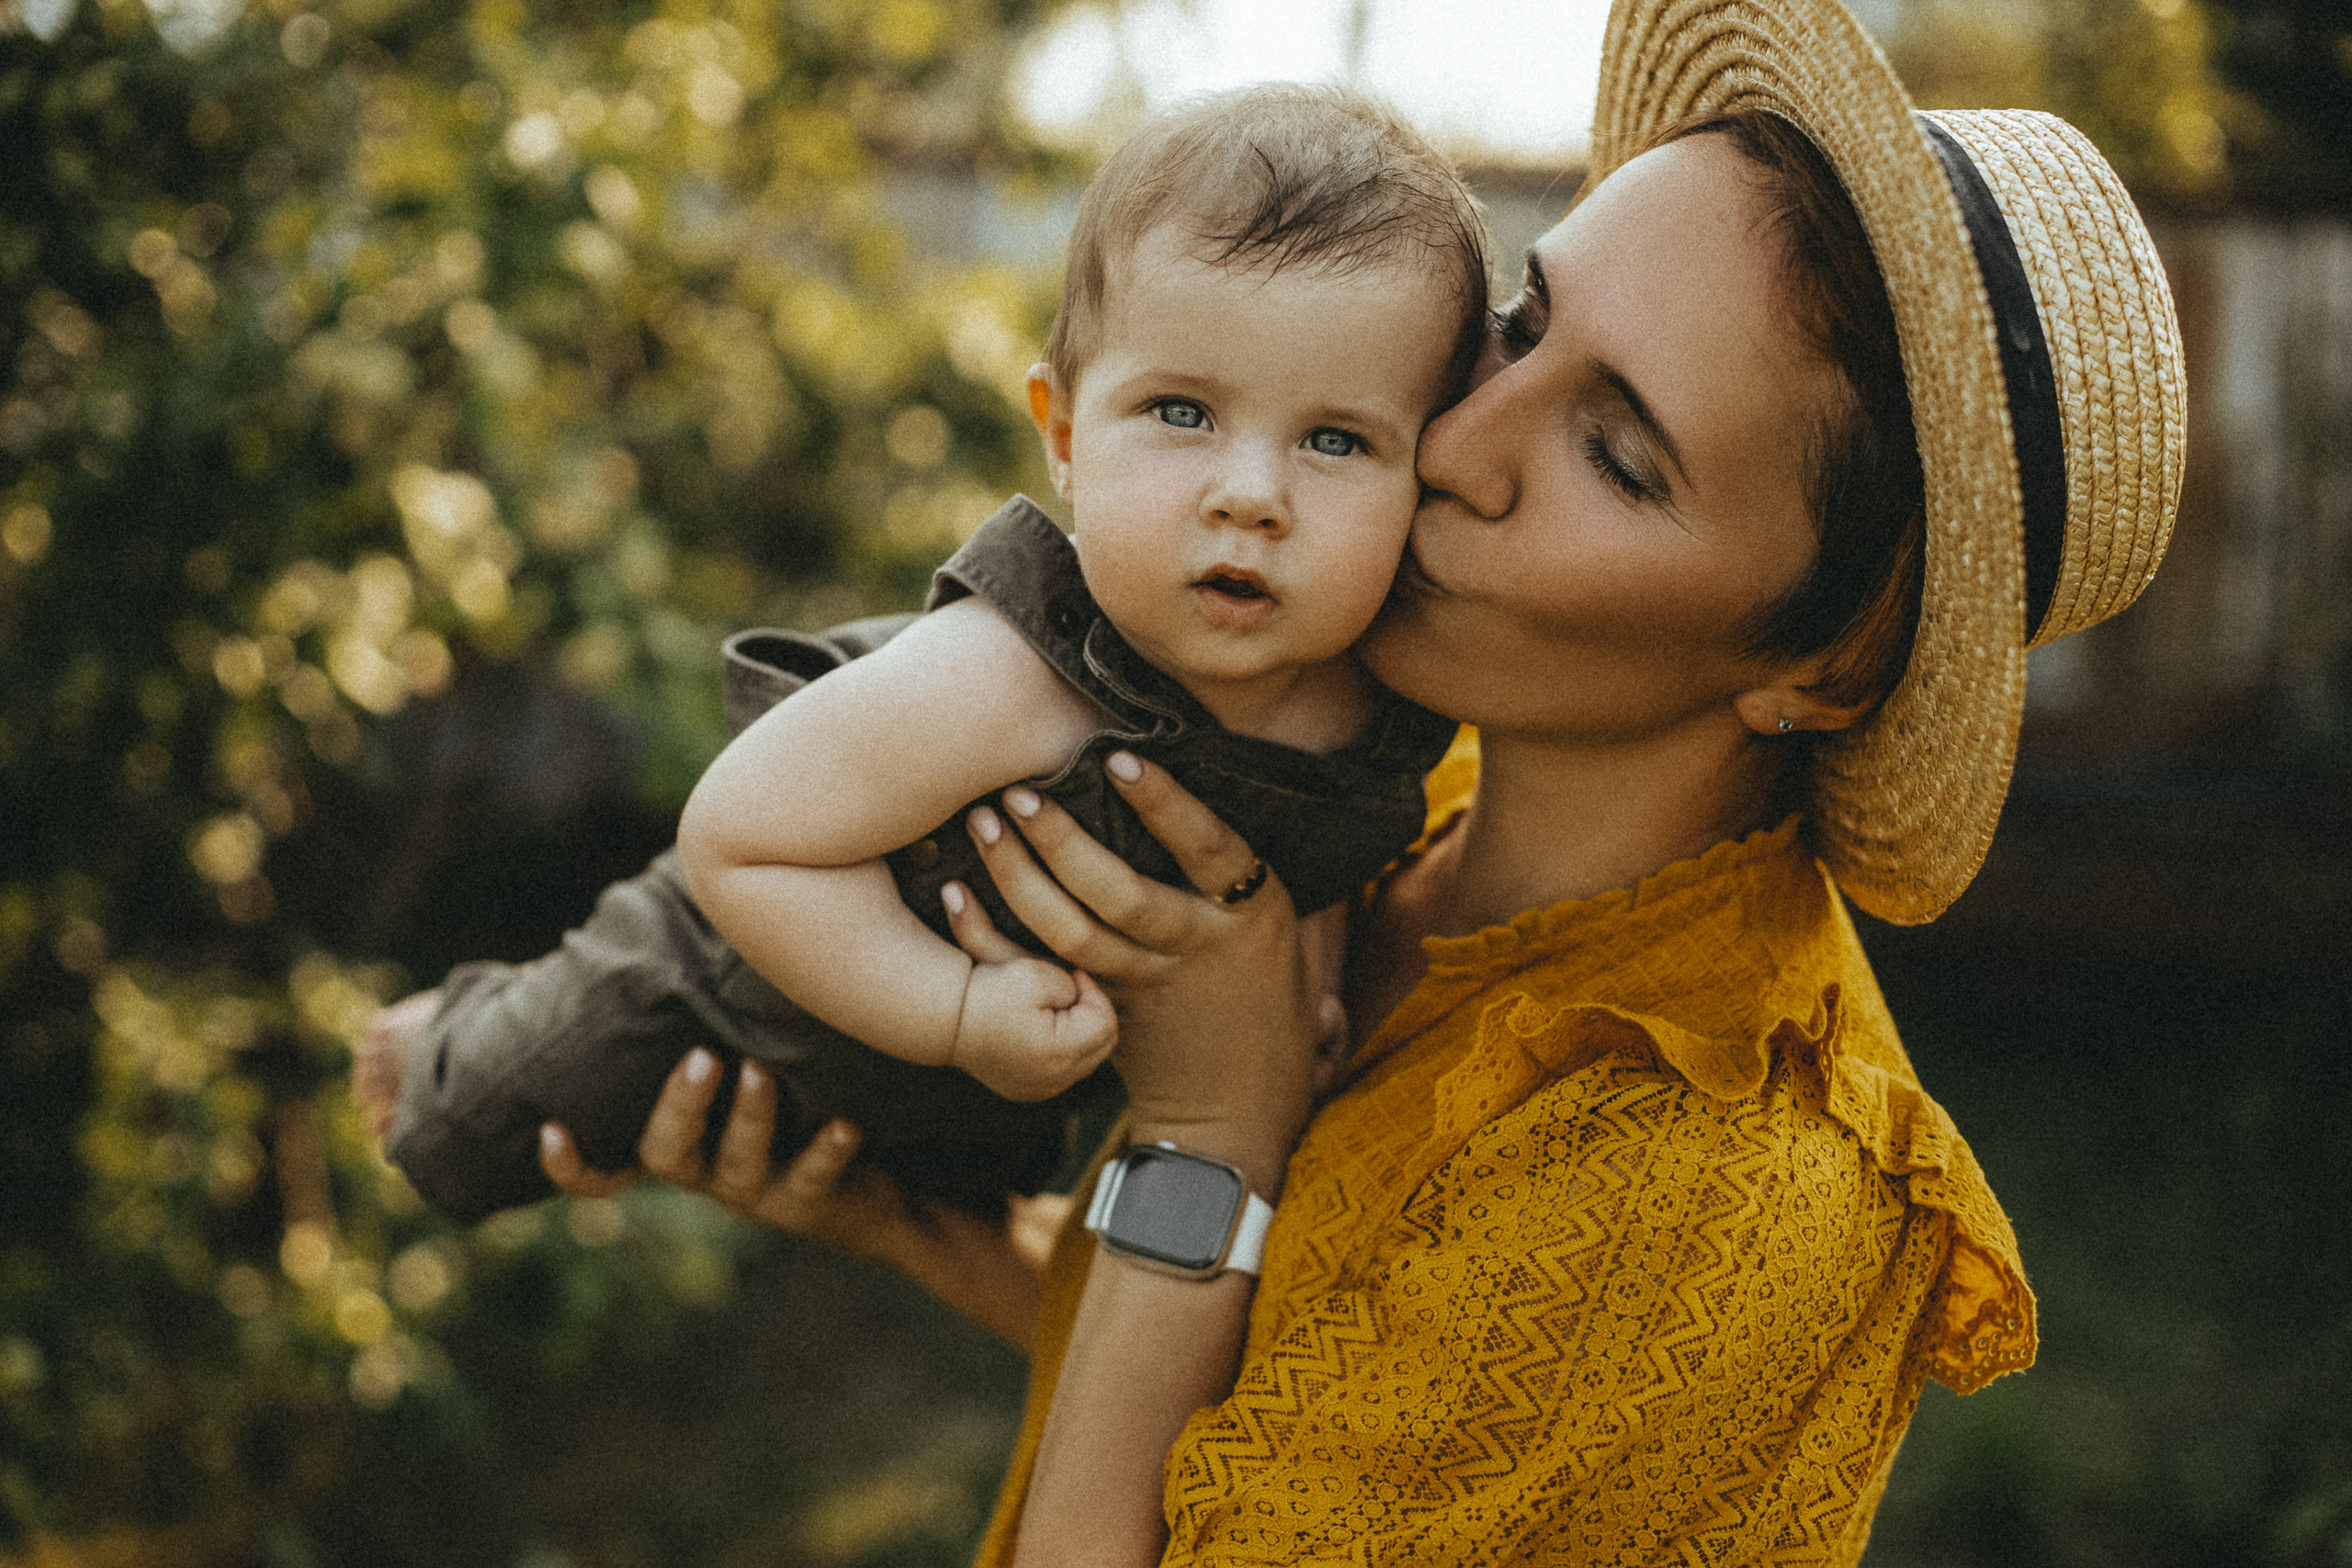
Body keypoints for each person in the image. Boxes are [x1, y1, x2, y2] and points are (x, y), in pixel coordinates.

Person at [514, 0, 2188, 1559]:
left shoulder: (1712, 1195)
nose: (1449, 444)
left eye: (1616, 453)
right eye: (1520, 322)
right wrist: (917, 1225)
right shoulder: (1395, 828)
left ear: (1818, 662)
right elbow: (1295, 1396)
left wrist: (1205, 1134)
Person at [359, 84, 1481, 1225]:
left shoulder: (1378, 710)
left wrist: (1315, 983)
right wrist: (954, 1013)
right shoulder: (1002, 675)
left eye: (1335, 439)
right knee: (510, 1115)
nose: (1251, 496)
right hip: (736, 971)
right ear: (1062, 437)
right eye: (1181, 413)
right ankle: (445, 1033)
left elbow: (1313, 841)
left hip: (959, 1097)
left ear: (1422, 479)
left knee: (923, 1188)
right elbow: (737, 843)